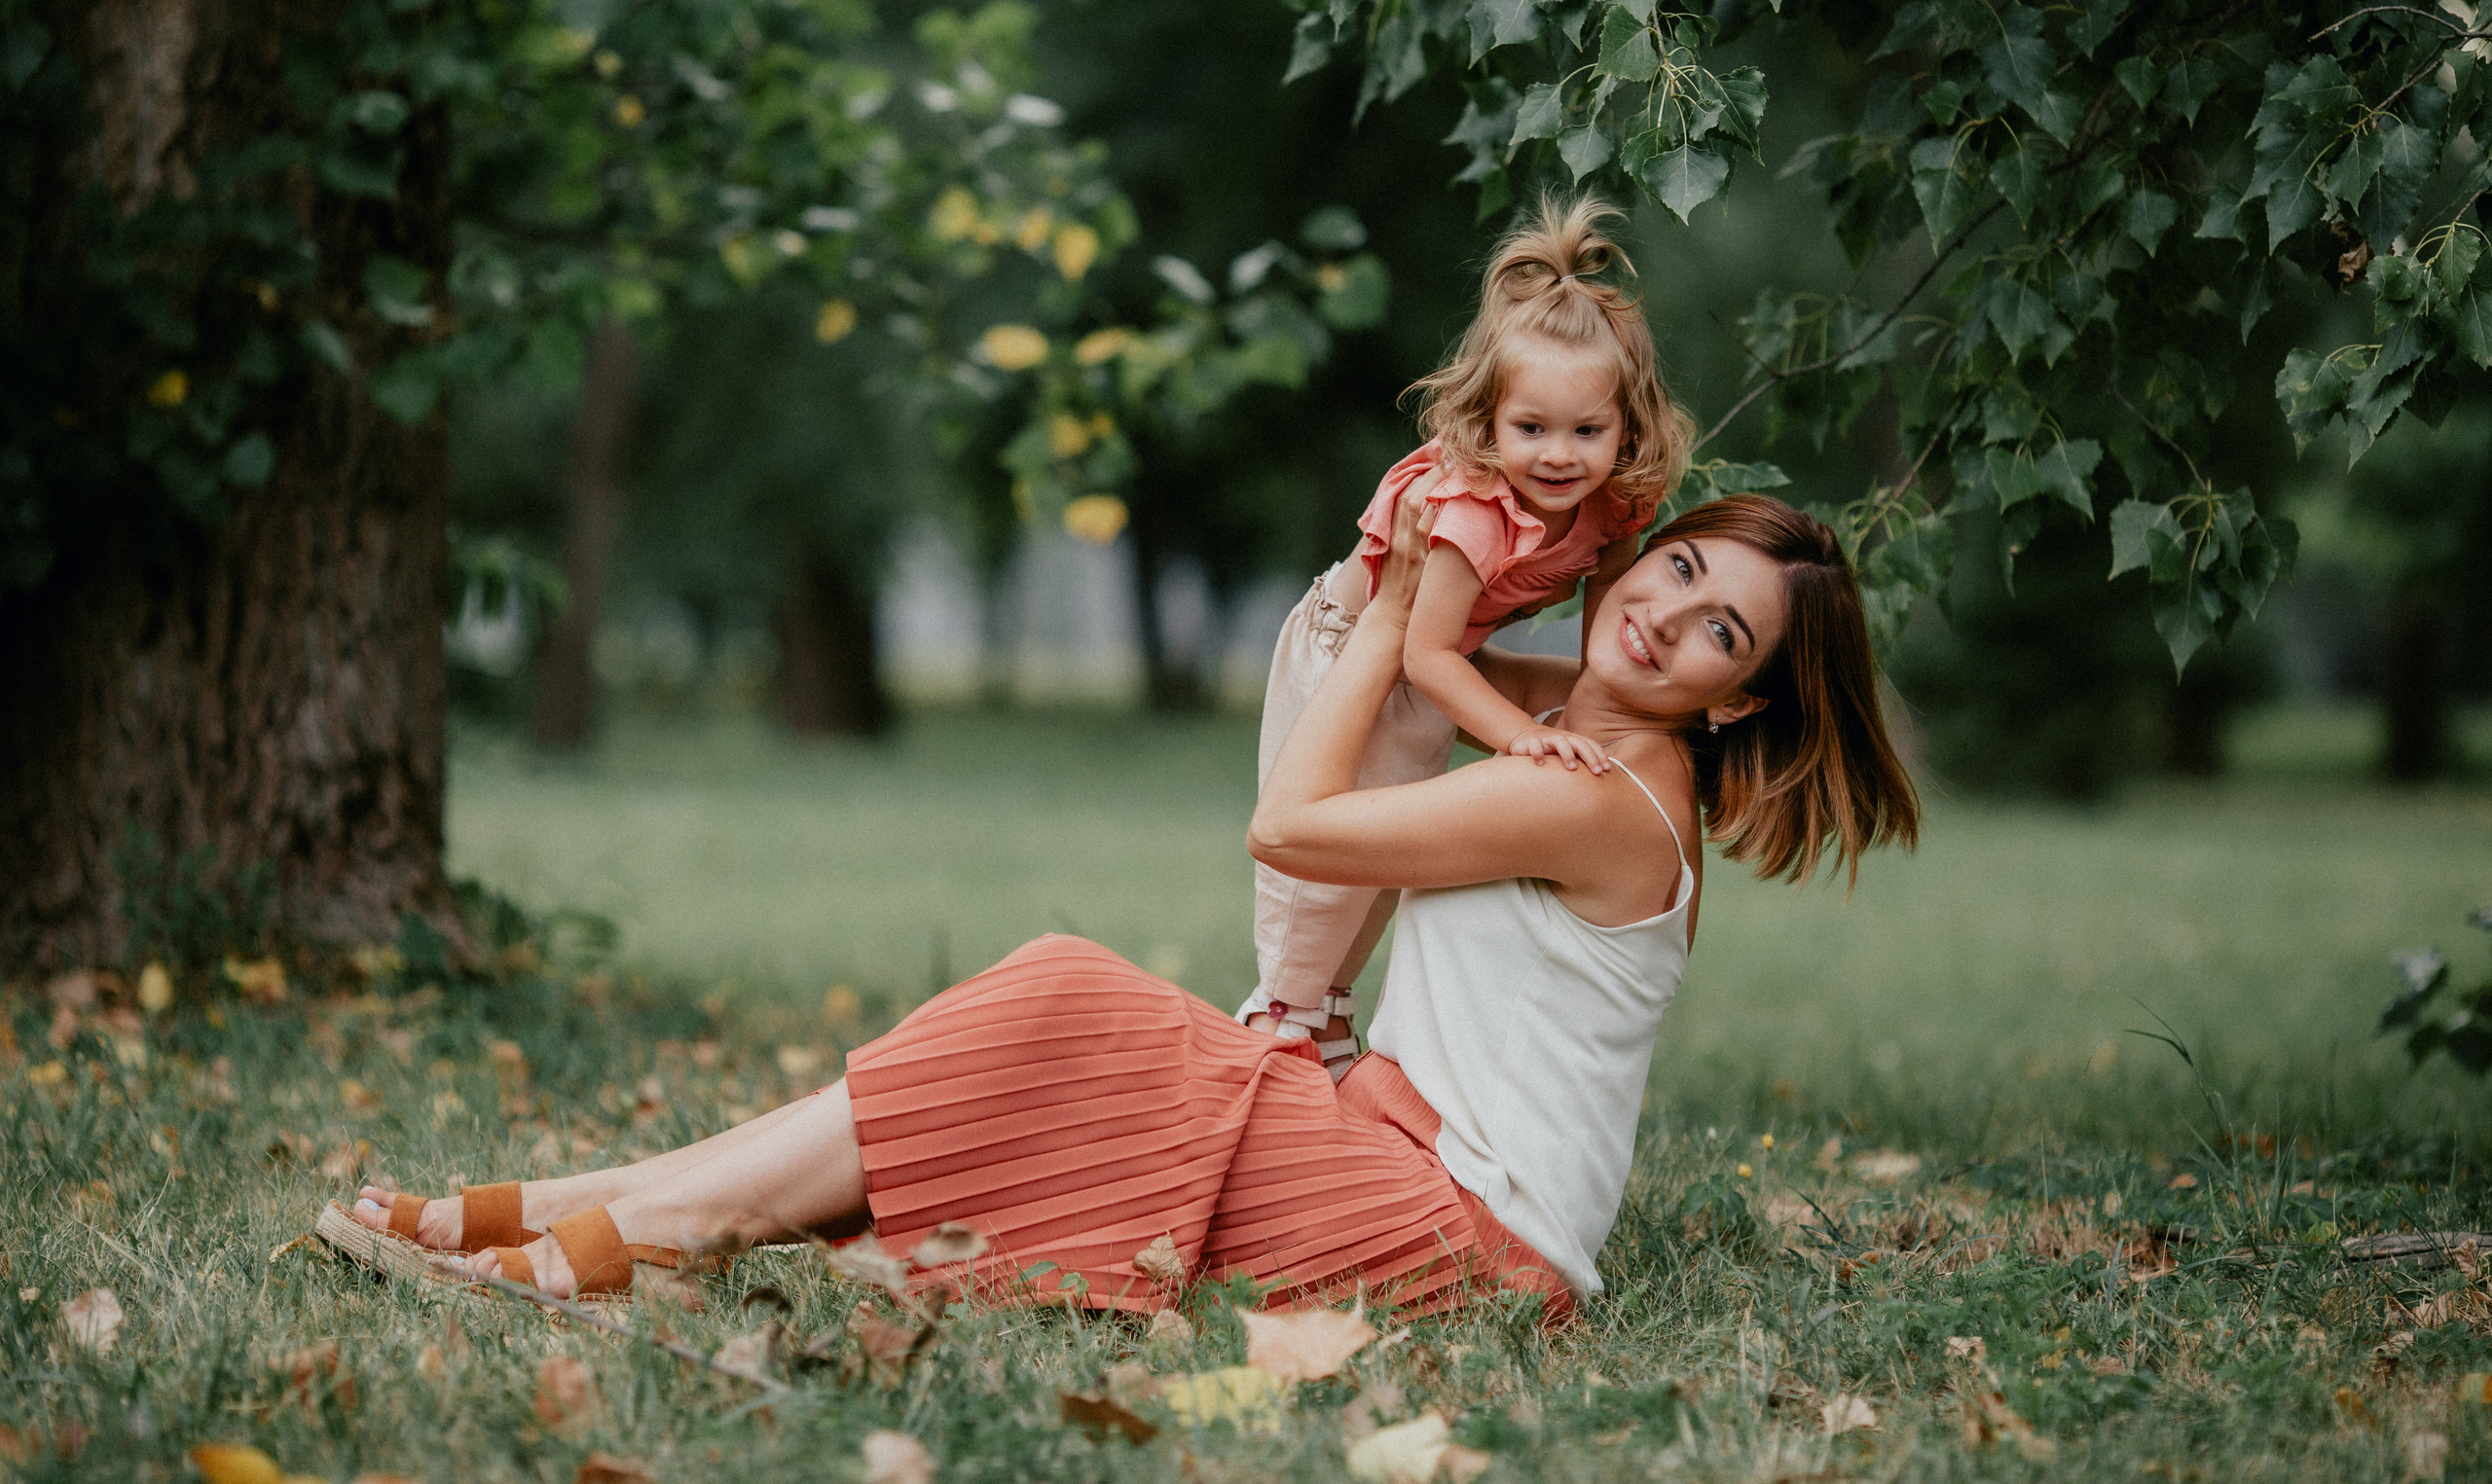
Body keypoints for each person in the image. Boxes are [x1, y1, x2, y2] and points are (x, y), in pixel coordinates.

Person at [346, 491, 1915, 1321]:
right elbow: (1337, 636)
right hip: (1385, 1152)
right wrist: (1423, 580)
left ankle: (644, 1232)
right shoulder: (1569, 722)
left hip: (1462, 1236)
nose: (1661, 615)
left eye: (1721, 631)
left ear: (1738, 701)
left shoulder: (1592, 785)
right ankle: (580, 1206)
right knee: (1038, 1040)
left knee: (1069, 999)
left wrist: (1404, 619)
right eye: (1683, 566)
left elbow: (1293, 823)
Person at [1242, 195, 1697, 1077]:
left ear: (1626, 425)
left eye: (1587, 431)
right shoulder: (1471, 516)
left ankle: (1324, 1029)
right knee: (1319, 884)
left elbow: (1608, 592)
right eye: (1531, 429)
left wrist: (1601, 711)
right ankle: (1275, 1035)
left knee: (1378, 870)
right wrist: (1522, 736)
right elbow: (1422, 651)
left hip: (1436, 666)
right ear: (1489, 423)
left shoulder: (1620, 498)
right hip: (1356, 648)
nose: (1559, 454)